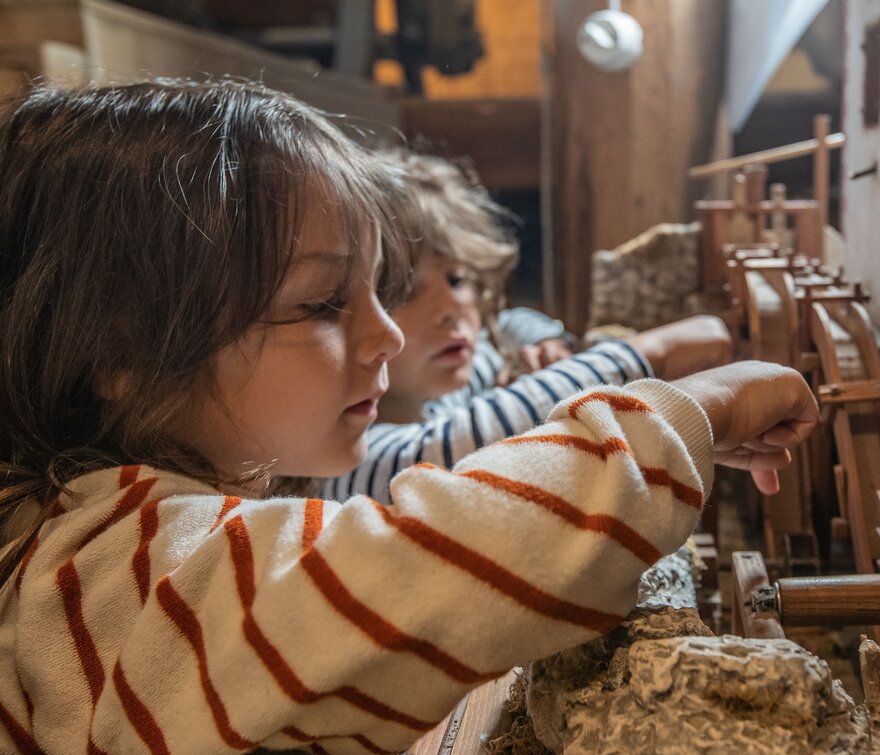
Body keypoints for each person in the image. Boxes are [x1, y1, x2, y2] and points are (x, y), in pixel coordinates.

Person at [0, 79, 818, 752]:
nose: (387, 333)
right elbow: (430, 561)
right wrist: (691, 409)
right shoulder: (108, 578)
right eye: (322, 301)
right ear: (122, 349)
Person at [326, 150, 733, 501]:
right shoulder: (346, 459)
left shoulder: (446, 378)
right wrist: (646, 353)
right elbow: (437, 453)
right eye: (406, 291)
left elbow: (507, 324)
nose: (453, 306)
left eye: (458, 279)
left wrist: (547, 339)